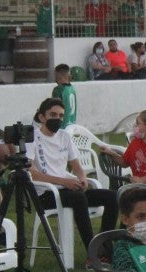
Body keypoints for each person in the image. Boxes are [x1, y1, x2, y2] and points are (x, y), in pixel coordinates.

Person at [29, 97, 118, 250]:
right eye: (53, 115)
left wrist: (82, 179)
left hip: (68, 190)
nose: (57, 119)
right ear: (42, 117)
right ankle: (93, 252)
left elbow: (77, 167)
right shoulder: (32, 138)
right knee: (78, 197)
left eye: (61, 116)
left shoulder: (64, 136)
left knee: (112, 196)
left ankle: (105, 245)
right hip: (46, 194)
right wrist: (63, 182)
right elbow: (31, 173)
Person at [101, 110, 146, 186]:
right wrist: (112, 153)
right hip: (140, 186)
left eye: (138, 124)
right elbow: (124, 163)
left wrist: (142, 180)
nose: (135, 126)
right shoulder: (135, 142)